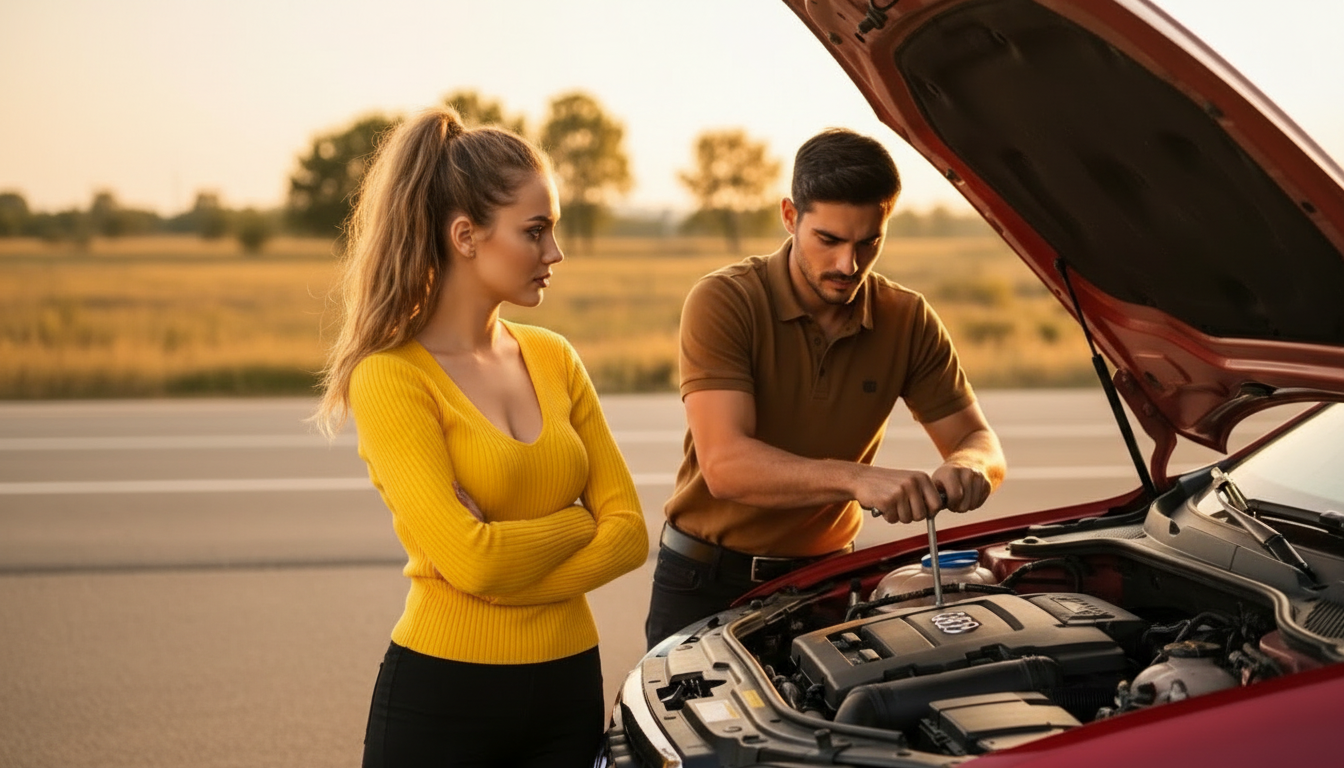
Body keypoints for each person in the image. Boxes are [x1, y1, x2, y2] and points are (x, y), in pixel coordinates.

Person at [311, 107, 648, 768]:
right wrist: (577, 525)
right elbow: (474, 563)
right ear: (466, 235)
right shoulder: (391, 377)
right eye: (535, 231)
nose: (555, 253)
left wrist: (502, 557)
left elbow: (631, 533)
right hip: (443, 697)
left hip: (568, 685)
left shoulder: (554, 358)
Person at [644, 128, 1007, 649]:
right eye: (829, 240)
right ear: (790, 216)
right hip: (705, 583)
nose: (848, 265)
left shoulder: (907, 319)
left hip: (831, 583)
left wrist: (970, 467)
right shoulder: (724, 300)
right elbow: (725, 466)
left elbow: (980, 441)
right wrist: (858, 480)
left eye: (868, 243)